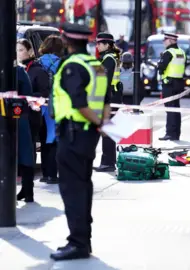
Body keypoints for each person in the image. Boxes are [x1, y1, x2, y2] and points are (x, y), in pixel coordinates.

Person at [49, 22, 110, 261]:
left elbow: (79, 103)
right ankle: (84, 239)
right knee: (84, 186)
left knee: (72, 189)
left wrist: (96, 122)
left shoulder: (72, 66)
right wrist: (103, 124)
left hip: (73, 134)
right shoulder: (97, 65)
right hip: (88, 136)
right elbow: (106, 99)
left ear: (66, 41)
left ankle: (77, 243)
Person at [17, 39, 50, 174]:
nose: (17, 53)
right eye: (16, 50)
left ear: (30, 51)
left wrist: (28, 96)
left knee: (28, 144)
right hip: (15, 113)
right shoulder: (15, 69)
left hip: (31, 115)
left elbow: (44, 93)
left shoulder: (37, 70)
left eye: (21, 50)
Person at [38, 35, 64, 184]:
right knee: (54, 138)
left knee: (43, 138)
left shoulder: (39, 62)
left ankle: (45, 173)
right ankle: (53, 175)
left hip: (39, 105)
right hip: (57, 105)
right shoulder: (61, 64)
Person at [94, 32, 121, 172]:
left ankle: (108, 162)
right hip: (112, 98)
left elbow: (103, 82)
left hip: (109, 100)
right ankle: (108, 161)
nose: (97, 46)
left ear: (107, 44)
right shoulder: (109, 58)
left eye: (99, 43)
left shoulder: (108, 59)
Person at [157, 33, 186, 141]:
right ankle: (176, 134)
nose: (164, 42)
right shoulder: (181, 52)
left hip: (169, 84)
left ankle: (169, 133)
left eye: (165, 40)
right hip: (179, 83)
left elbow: (161, 68)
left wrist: (159, 65)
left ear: (170, 40)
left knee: (169, 109)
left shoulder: (168, 53)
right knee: (176, 108)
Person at [16, 66, 35, 202]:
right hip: (19, 115)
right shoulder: (18, 71)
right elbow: (28, 94)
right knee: (24, 153)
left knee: (24, 152)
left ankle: (27, 190)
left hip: (17, 116)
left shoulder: (18, 71)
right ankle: (28, 190)